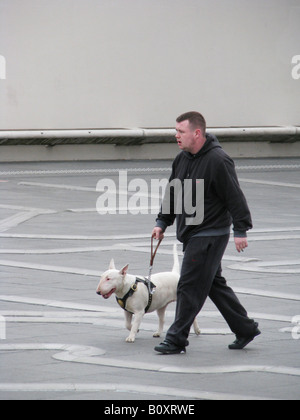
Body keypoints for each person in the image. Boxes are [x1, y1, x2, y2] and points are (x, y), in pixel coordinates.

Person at [152, 111, 261, 354]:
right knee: (213, 283)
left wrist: (241, 229)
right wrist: (162, 222)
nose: (176, 136)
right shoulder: (182, 159)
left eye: (181, 132)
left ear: (197, 133)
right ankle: (245, 328)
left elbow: (235, 196)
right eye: (176, 131)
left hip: (211, 233)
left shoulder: (218, 160)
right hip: (191, 233)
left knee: (188, 285)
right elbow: (173, 192)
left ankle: (176, 339)